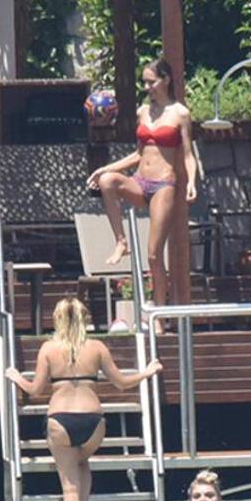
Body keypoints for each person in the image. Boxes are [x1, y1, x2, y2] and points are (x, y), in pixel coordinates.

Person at [5, 296, 162, 501]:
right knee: (82, 463)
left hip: (61, 421)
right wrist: (147, 372)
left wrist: (17, 378)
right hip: (93, 422)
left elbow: (35, 390)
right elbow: (122, 383)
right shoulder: (97, 347)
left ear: (57, 319)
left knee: (70, 488)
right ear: (84, 319)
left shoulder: (48, 348)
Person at [86, 58, 197, 332]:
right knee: (107, 181)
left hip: (163, 185)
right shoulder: (143, 112)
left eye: (151, 81)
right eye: (144, 82)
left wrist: (191, 182)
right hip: (140, 180)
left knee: (154, 255)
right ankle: (120, 241)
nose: (147, 87)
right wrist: (105, 168)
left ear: (165, 80)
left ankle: (158, 315)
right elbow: (138, 154)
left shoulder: (180, 113)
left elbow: (187, 154)